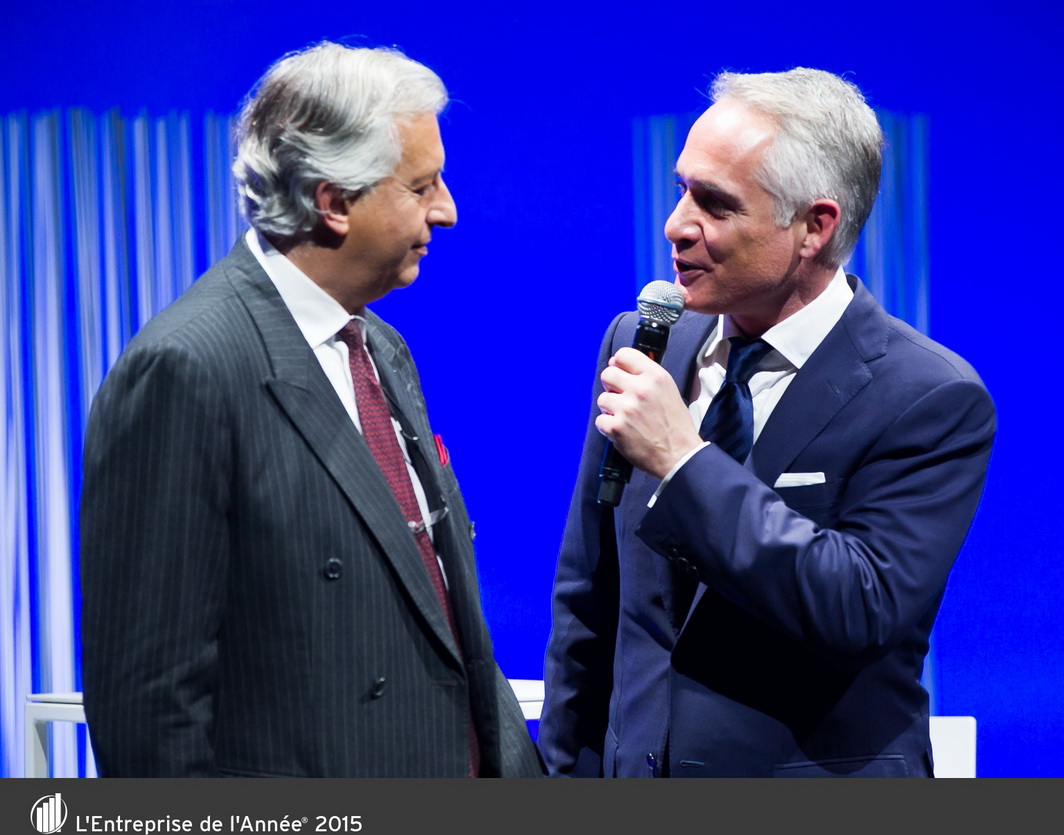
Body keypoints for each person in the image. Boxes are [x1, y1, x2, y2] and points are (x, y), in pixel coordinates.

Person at [79, 42, 543, 778]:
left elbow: (445, 620)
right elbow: (149, 708)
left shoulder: (380, 347)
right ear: (333, 202)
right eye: (421, 186)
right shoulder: (186, 370)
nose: (448, 210)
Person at [539, 67, 996, 777]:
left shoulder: (930, 396)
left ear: (815, 227)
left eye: (716, 204)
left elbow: (860, 608)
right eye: (681, 189)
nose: (676, 225)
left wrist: (684, 462)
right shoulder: (646, 343)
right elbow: (590, 600)